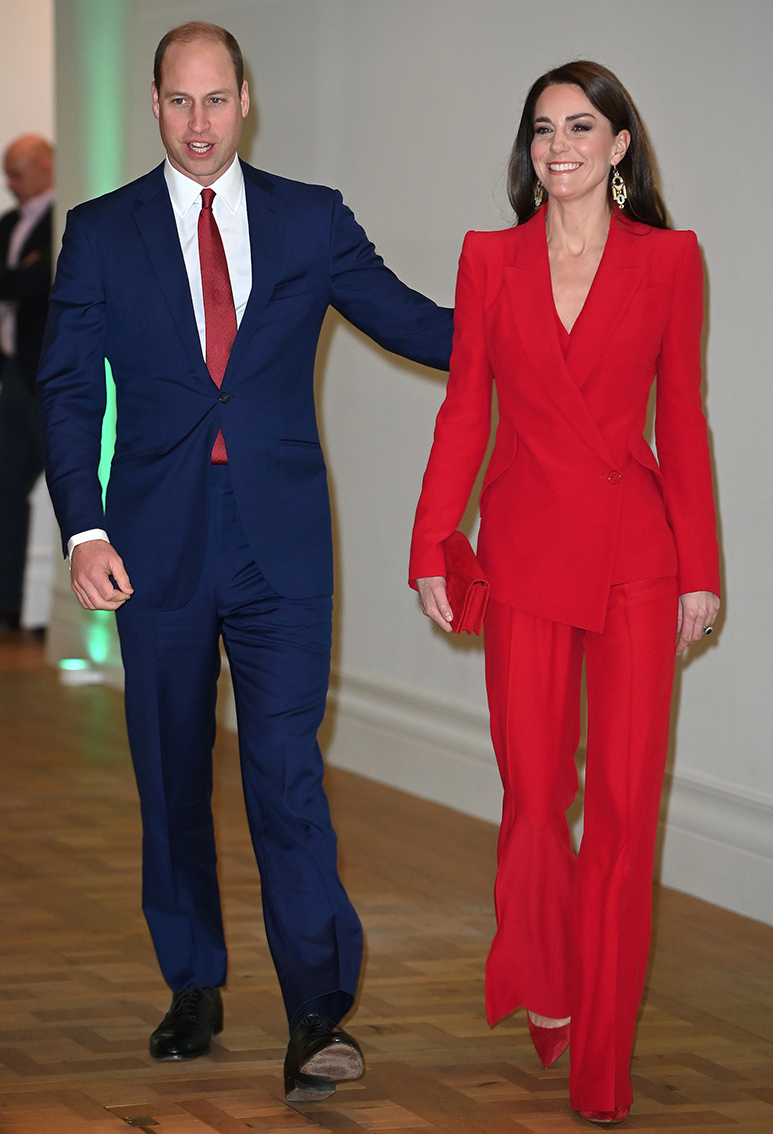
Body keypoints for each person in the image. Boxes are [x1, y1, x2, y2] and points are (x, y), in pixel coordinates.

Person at [37, 22, 452, 1103]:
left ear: (247, 99)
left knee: (284, 768)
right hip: (152, 545)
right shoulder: (100, 232)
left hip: (278, 542)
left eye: (217, 100)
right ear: (156, 105)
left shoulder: (309, 220)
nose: (200, 124)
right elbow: (69, 388)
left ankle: (318, 1008)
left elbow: (411, 321)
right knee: (172, 778)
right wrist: (83, 528)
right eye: (179, 102)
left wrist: (543, 310)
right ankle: (193, 981)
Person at [411, 61, 719, 1125]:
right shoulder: (489, 259)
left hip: (638, 558)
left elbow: (680, 422)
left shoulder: (670, 261)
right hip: (526, 556)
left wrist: (702, 571)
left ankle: (601, 1056)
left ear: (620, 145)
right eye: (542, 129)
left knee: (626, 815)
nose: (559, 146)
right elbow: (464, 413)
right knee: (538, 800)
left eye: (581, 127)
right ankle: (542, 976)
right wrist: (430, 541)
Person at [0, 135, 53, 632]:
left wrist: (18, 276)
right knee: (5, 488)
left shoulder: (62, 219)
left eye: (17, 172)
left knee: (68, 481)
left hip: (46, 376)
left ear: (45, 167)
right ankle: (9, 605)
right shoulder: (10, 224)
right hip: (11, 374)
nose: (10, 184)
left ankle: (63, 604)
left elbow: (32, 285)